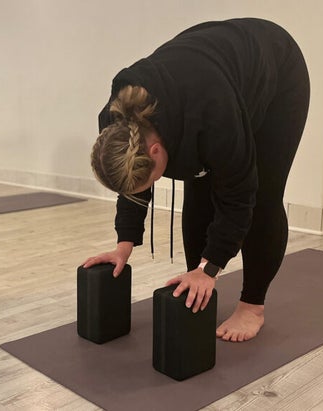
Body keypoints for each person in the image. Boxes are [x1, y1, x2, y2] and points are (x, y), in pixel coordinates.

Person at [83, 18, 310, 342]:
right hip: (211, 73)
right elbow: (131, 187)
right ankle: (198, 282)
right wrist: (123, 245)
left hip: (277, 74)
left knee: (262, 197)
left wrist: (211, 266)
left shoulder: (212, 115)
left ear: (157, 150)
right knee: (199, 187)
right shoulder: (115, 124)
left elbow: (239, 196)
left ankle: (252, 306)